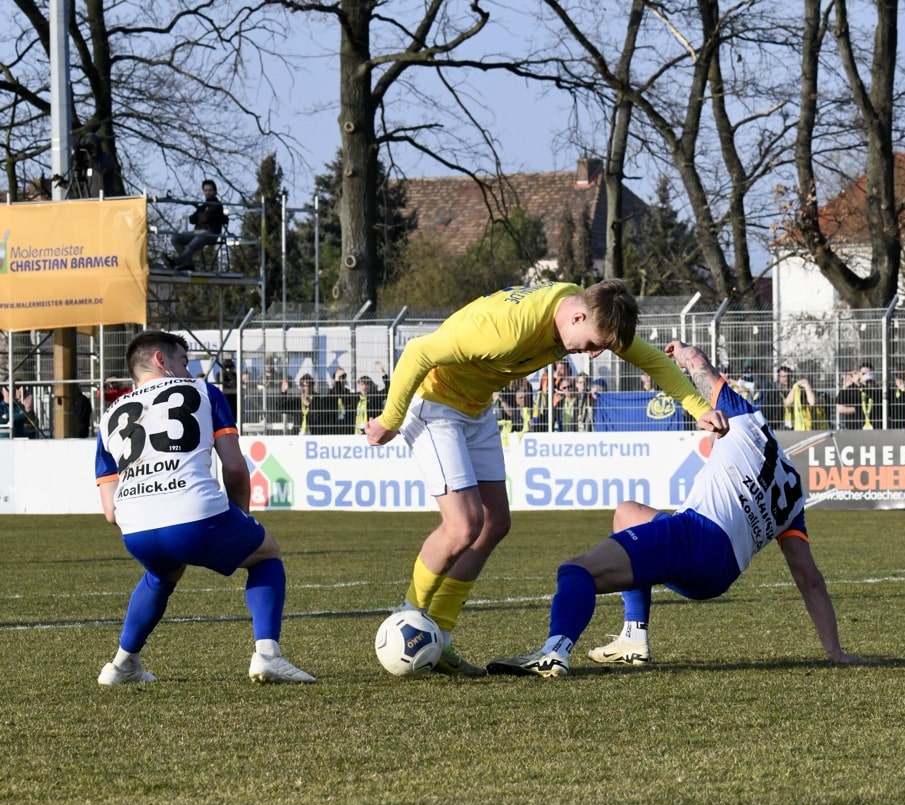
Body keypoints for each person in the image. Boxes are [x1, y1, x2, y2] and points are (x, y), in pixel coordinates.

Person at [363, 279, 727, 676]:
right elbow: (418, 351)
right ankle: (408, 618)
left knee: (495, 524)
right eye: (593, 344)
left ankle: (442, 633)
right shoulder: (507, 328)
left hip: (476, 408)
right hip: (435, 403)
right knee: (464, 525)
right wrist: (389, 420)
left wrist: (698, 409)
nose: (593, 355)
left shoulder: (590, 312)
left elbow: (652, 360)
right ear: (577, 316)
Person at [486, 340, 874, 678]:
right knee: (627, 513)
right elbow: (809, 579)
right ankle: (633, 638)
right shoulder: (793, 495)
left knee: (576, 571)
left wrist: (684, 353)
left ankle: (554, 651)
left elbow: (702, 368)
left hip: (694, 537)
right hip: (719, 575)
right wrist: (835, 652)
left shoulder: (747, 422)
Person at [93, 330, 314, 685]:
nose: (189, 369)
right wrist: (241, 517)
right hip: (193, 512)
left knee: (161, 575)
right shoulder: (203, 391)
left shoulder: (107, 418)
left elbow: (109, 511)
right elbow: (235, 469)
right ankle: (268, 655)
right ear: (161, 360)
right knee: (266, 554)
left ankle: (121, 665)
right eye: (183, 361)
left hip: (135, 528)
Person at [165, 179, 229, 271]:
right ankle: (188, 264)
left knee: (193, 243)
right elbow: (192, 219)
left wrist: (201, 215)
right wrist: (201, 214)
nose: (208, 193)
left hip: (210, 233)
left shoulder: (217, 204)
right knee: (175, 238)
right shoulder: (203, 206)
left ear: (215, 191)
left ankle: (176, 261)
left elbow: (208, 216)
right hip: (197, 232)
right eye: (206, 190)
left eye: (210, 190)